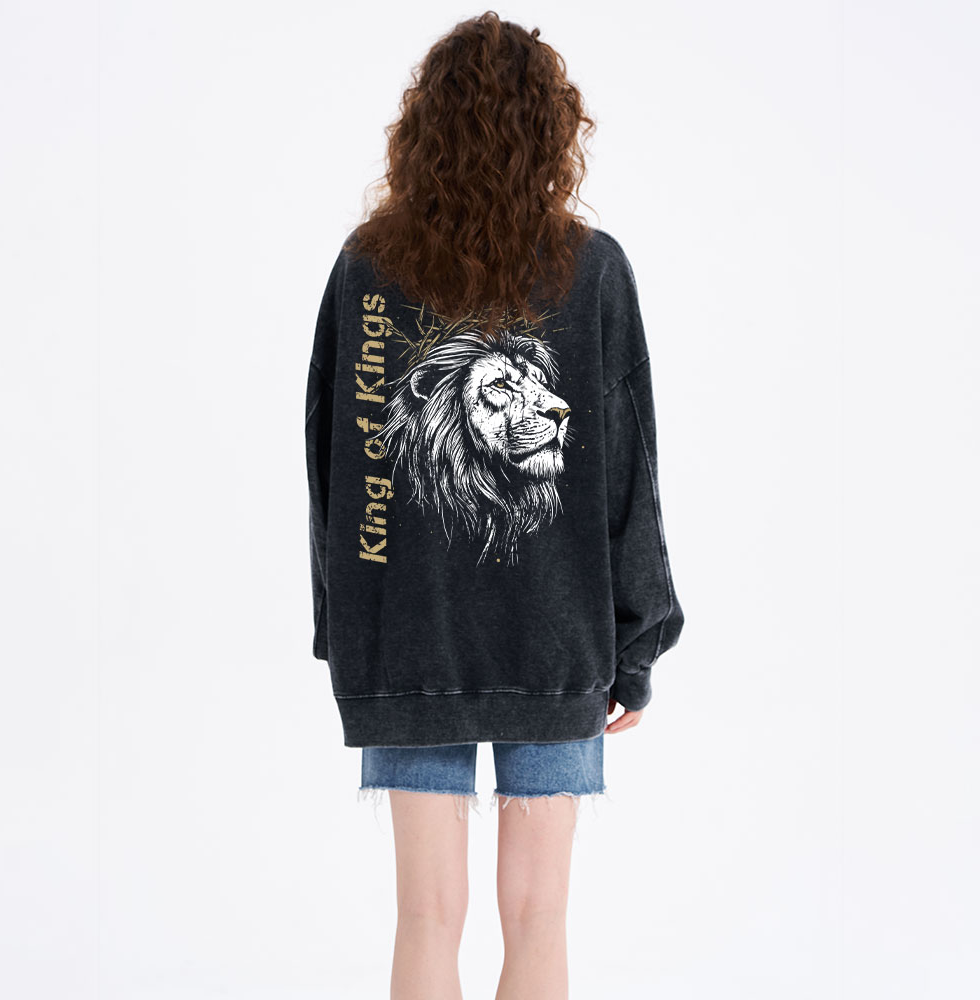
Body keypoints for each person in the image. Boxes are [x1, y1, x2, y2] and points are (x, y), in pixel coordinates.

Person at [304, 12, 685, 999]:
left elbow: (335, 469)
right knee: (540, 918)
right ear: (553, 132)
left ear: (421, 131)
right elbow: (630, 472)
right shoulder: (592, 269)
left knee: (424, 918)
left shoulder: (367, 270)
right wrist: (635, 644)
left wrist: (349, 633)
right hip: (556, 638)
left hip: (407, 638)